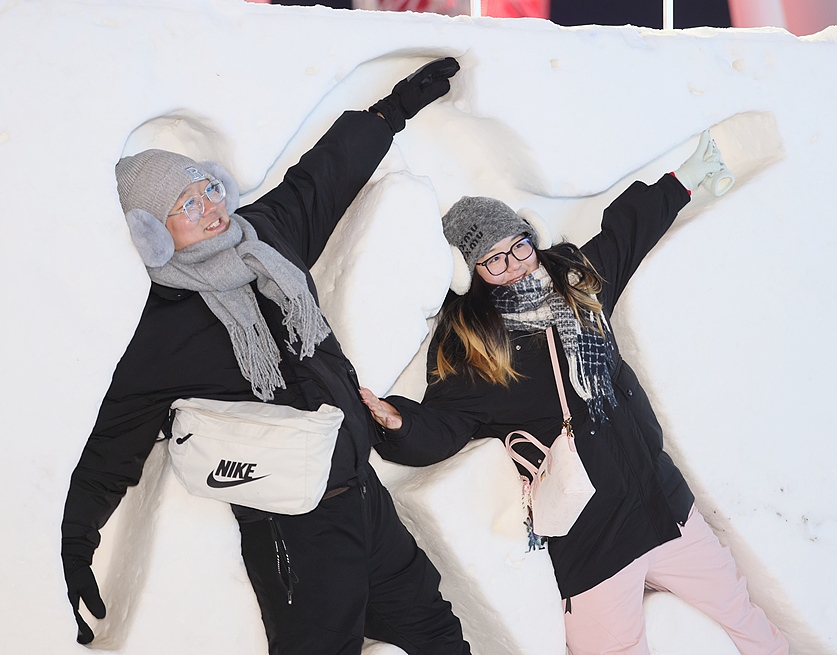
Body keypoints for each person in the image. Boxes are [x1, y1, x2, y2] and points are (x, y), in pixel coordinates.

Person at [61, 58, 473, 655]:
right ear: (152, 231)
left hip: (363, 494)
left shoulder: (266, 233)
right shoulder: (163, 325)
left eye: (205, 187)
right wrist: (79, 540)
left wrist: (391, 112)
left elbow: (323, 178)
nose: (209, 205)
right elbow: (114, 443)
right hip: (291, 528)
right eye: (187, 205)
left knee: (437, 632)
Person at [361, 131, 790, 654]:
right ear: (471, 274)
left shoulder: (576, 283)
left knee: (746, 620)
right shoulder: (477, 350)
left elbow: (626, 233)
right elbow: (443, 426)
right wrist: (398, 425)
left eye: (519, 245)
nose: (516, 263)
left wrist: (680, 183)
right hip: (594, 543)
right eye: (495, 259)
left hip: (663, 506)